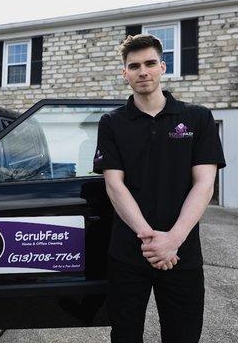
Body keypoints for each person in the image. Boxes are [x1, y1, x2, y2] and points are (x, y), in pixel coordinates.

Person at [93, 34, 226, 343]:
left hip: (182, 254)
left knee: (183, 335)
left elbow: (204, 184)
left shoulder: (197, 117)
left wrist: (173, 240)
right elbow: (114, 185)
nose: (143, 71)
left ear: (163, 67)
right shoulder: (112, 122)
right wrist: (153, 242)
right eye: (134, 66)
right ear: (124, 73)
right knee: (125, 336)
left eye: (150, 63)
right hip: (128, 254)